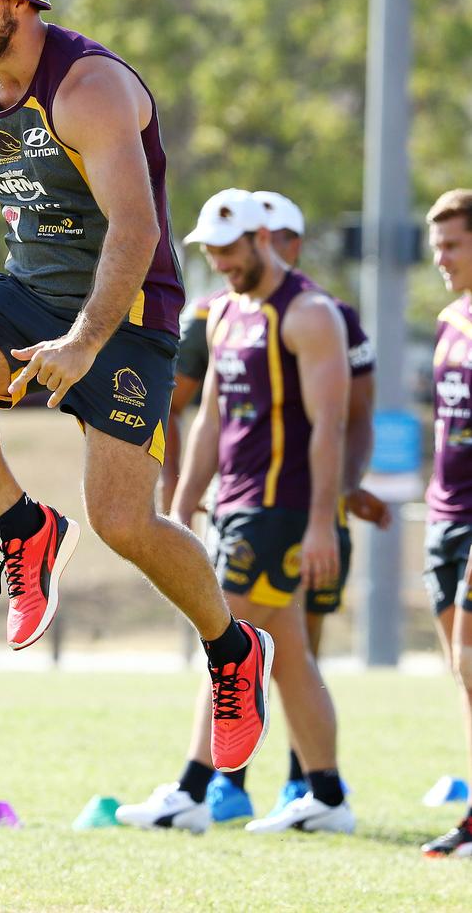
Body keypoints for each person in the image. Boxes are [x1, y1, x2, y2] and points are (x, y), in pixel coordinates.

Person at [0, 0, 273, 774]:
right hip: (27, 299)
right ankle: (24, 529)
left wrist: (87, 341)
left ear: (21, 1)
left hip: (128, 318)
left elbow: (138, 228)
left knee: (127, 522)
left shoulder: (88, 87)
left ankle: (233, 649)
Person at [116, 188, 355, 835]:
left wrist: (318, 523)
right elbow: (209, 418)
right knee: (292, 656)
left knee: (229, 646)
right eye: (211, 252)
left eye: (228, 249)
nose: (219, 261)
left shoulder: (308, 313)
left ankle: (194, 788)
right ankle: (328, 796)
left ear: (262, 239)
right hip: (236, 505)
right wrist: (184, 499)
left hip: (280, 509)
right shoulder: (222, 313)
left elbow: (330, 425)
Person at [420, 189, 472, 858]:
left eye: (454, 245)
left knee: (469, 654)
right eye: (436, 246)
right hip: (443, 515)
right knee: (462, 674)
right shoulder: (448, 319)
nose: (441, 258)